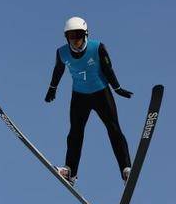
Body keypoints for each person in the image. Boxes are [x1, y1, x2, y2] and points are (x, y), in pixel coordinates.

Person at [44, 16, 133, 186]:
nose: (75, 41)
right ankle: (70, 172)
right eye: (71, 36)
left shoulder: (97, 47)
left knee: (113, 128)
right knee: (75, 133)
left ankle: (126, 169)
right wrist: (52, 88)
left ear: (85, 34)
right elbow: (58, 70)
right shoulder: (62, 52)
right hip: (79, 97)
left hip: (101, 94)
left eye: (78, 35)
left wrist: (117, 88)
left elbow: (108, 69)